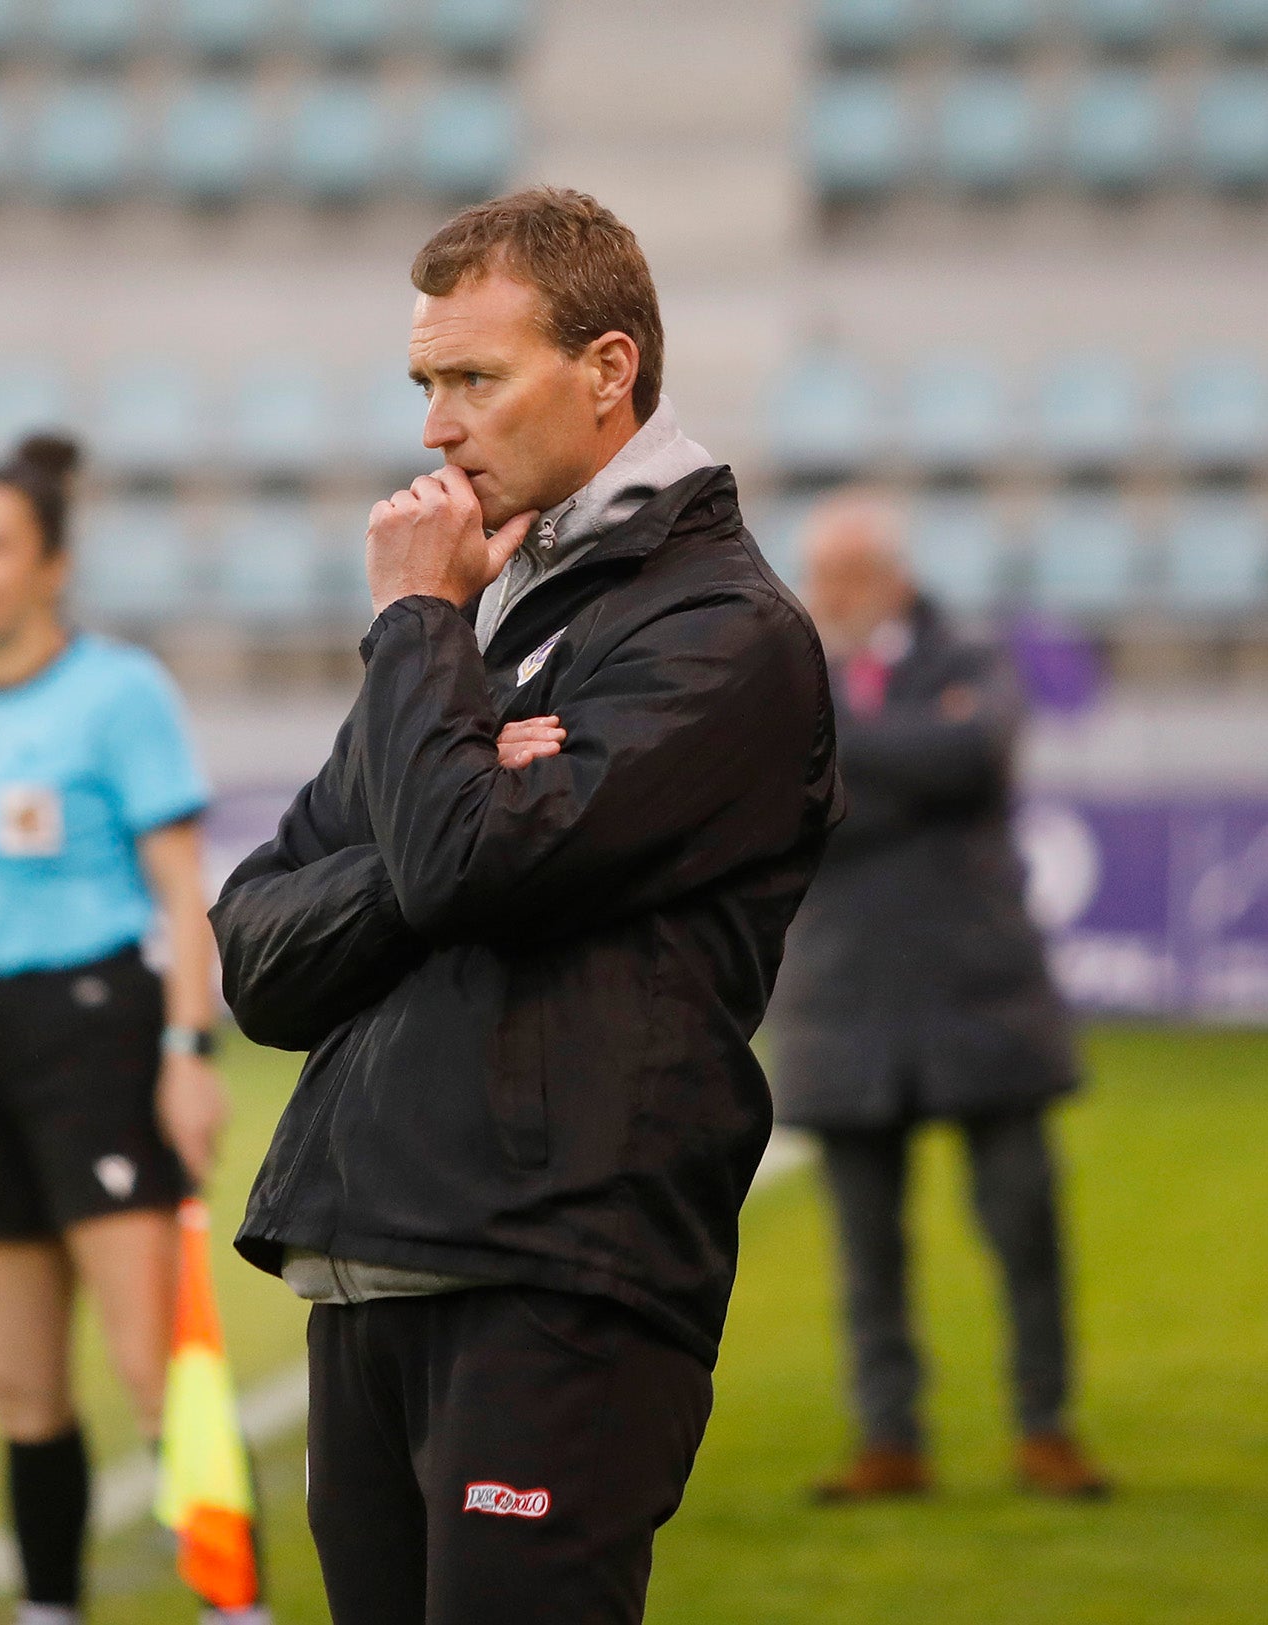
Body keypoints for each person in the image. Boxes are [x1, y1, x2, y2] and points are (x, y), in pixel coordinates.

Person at [209, 186, 842, 1625]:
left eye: (472, 379)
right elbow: (258, 950)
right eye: (426, 383)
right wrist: (455, 788)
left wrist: (417, 635)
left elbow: (462, 866)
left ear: (607, 371)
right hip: (369, 1263)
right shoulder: (488, 616)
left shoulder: (722, 630)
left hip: (555, 1268)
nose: (435, 426)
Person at [0, 433, 268, 1625]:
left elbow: (182, 889)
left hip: (102, 1025)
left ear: (51, 564)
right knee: (19, 1379)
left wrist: (187, 1053)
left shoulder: (120, 690)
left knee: (155, 1367)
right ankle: (50, 1605)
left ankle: (235, 1603)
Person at [768, 490, 1111, 1502]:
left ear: (894, 571)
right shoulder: (789, 674)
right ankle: (890, 1438)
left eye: (851, 572)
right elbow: (787, 803)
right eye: (823, 573)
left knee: (1026, 1229)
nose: (834, 592)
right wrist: (901, 754)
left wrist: (832, 748)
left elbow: (971, 757)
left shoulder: (969, 652)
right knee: (868, 1253)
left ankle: (1045, 1426)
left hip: (980, 997)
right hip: (842, 1002)